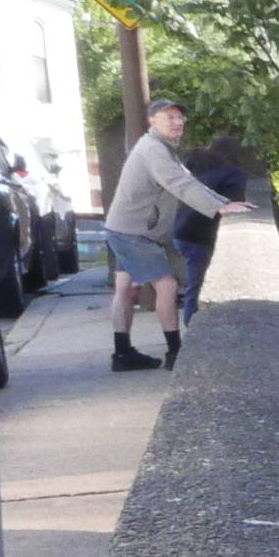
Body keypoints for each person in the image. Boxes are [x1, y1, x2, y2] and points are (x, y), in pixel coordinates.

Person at [102, 98, 250, 372]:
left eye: (180, 118)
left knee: (125, 289)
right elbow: (179, 184)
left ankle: (122, 354)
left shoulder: (162, 148)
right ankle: (175, 353)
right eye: (168, 117)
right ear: (152, 121)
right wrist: (220, 207)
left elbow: (190, 181)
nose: (177, 122)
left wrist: (222, 202)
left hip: (129, 228)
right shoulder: (153, 150)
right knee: (167, 286)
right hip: (135, 232)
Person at [172, 133, 252, 308]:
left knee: (196, 284)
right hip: (200, 235)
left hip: (181, 231)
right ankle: (192, 323)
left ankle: (191, 317)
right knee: (197, 287)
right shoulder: (233, 174)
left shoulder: (202, 170)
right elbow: (234, 204)